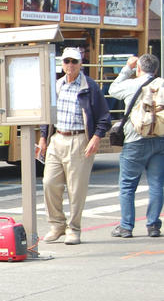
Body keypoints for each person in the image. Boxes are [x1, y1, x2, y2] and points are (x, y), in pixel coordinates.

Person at [36, 47, 111, 245]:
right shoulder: (57, 85)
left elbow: (104, 117)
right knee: (49, 183)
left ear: (80, 64)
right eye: (67, 61)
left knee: (76, 189)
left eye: (74, 62)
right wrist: (44, 137)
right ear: (62, 63)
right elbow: (48, 114)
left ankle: (74, 228)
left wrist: (96, 138)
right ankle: (57, 224)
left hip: (79, 139)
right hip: (57, 138)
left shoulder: (90, 87)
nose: (70, 65)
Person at [107, 54, 163, 238]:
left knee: (128, 185)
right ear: (155, 70)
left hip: (135, 140)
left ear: (139, 68)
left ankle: (126, 226)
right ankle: (153, 225)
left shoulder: (131, 85)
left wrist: (127, 68)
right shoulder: (161, 84)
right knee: (156, 184)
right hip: (160, 139)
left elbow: (113, 89)